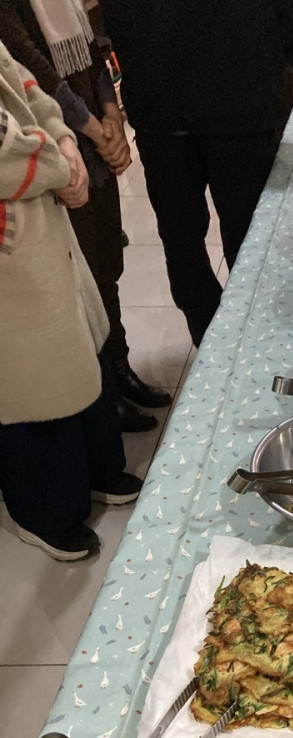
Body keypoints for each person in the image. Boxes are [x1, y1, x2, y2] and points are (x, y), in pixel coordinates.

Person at [97, 0, 293, 348]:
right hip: (212, 99)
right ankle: (231, 344)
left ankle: (227, 342)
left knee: (210, 242)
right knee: (227, 243)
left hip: (199, 100)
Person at [0, 0, 172, 434]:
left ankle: (120, 370)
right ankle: (101, 398)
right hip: (58, 148)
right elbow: (31, 64)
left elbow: (96, 47)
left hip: (92, 141)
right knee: (83, 274)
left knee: (108, 263)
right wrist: (95, 130)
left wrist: (112, 113)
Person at [0, 41, 142, 560]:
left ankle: (94, 471)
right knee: (29, 374)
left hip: (41, 209)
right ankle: (43, 512)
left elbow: (27, 85)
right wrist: (61, 164)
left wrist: (64, 138)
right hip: (12, 233)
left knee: (80, 340)